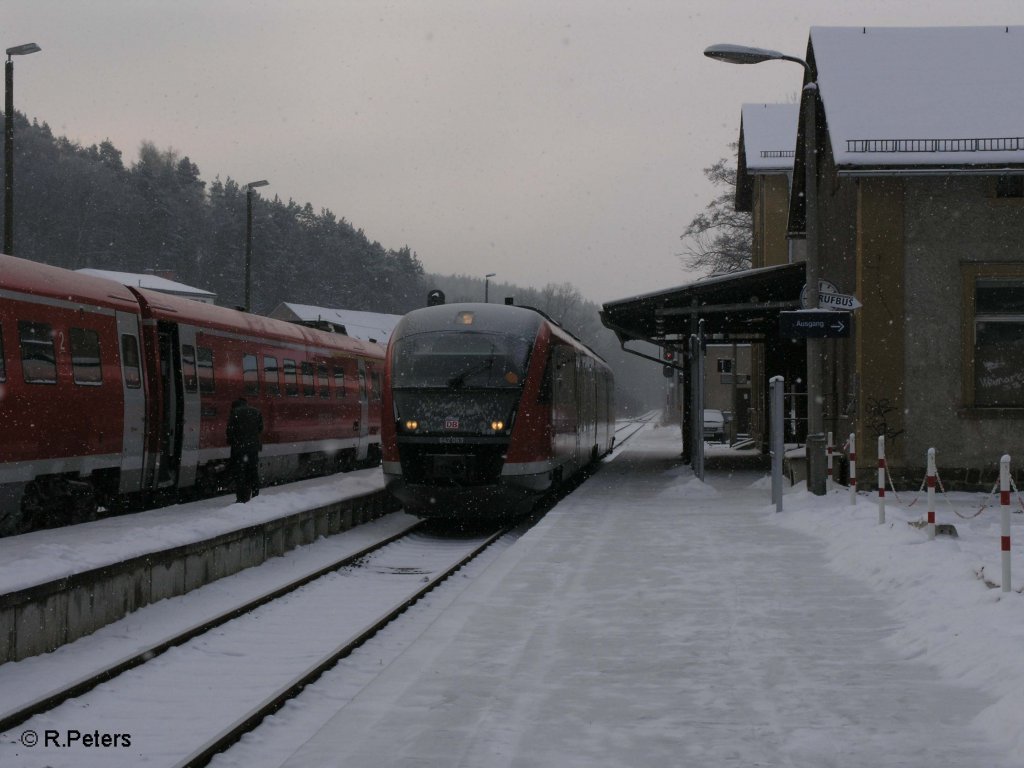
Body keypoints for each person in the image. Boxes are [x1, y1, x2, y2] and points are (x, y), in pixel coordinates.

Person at [226, 397, 264, 503]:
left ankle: (241, 498)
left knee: (240, 473)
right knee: (253, 472)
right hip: (253, 448)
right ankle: (256, 496)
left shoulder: (235, 413)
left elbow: (229, 430)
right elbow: (260, 428)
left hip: (239, 449)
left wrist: (232, 441)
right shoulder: (256, 411)